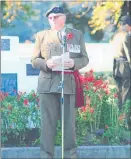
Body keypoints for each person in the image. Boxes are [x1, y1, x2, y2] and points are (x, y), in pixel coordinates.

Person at [31, 6, 89, 158]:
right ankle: (46, 156)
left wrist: (73, 63)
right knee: (47, 127)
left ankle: (70, 156)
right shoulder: (41, 36)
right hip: (47, 85)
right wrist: (46, 64)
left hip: (68, 85)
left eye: (56, 17)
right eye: (50, 18)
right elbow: (34, 60)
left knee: (69, 127)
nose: (53, 20)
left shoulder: (76, 35)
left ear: (64, 18)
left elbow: (84, 58)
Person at [111, 15, 131, 112]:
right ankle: (124, 118)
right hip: (124, 66)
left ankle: (119, 115)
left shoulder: (115, 35)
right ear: (127, 25)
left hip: (116, 65)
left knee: (119, 92)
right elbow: (128, 53)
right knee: (126, 93)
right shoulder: (126, 35)